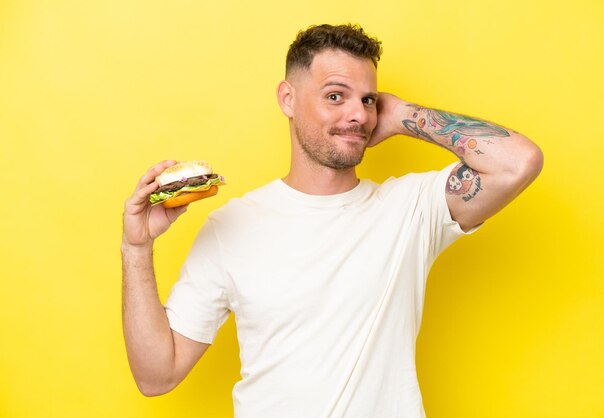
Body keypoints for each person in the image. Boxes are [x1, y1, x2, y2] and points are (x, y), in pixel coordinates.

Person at [121, 24, 543, 417]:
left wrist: (402, 116)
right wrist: (136, 249)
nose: (358, 114)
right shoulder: (229, 227)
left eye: (368, 100)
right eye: (336, 96)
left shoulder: (412, 208)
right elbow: (157, 375)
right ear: (287, 99)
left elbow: (517, 162)